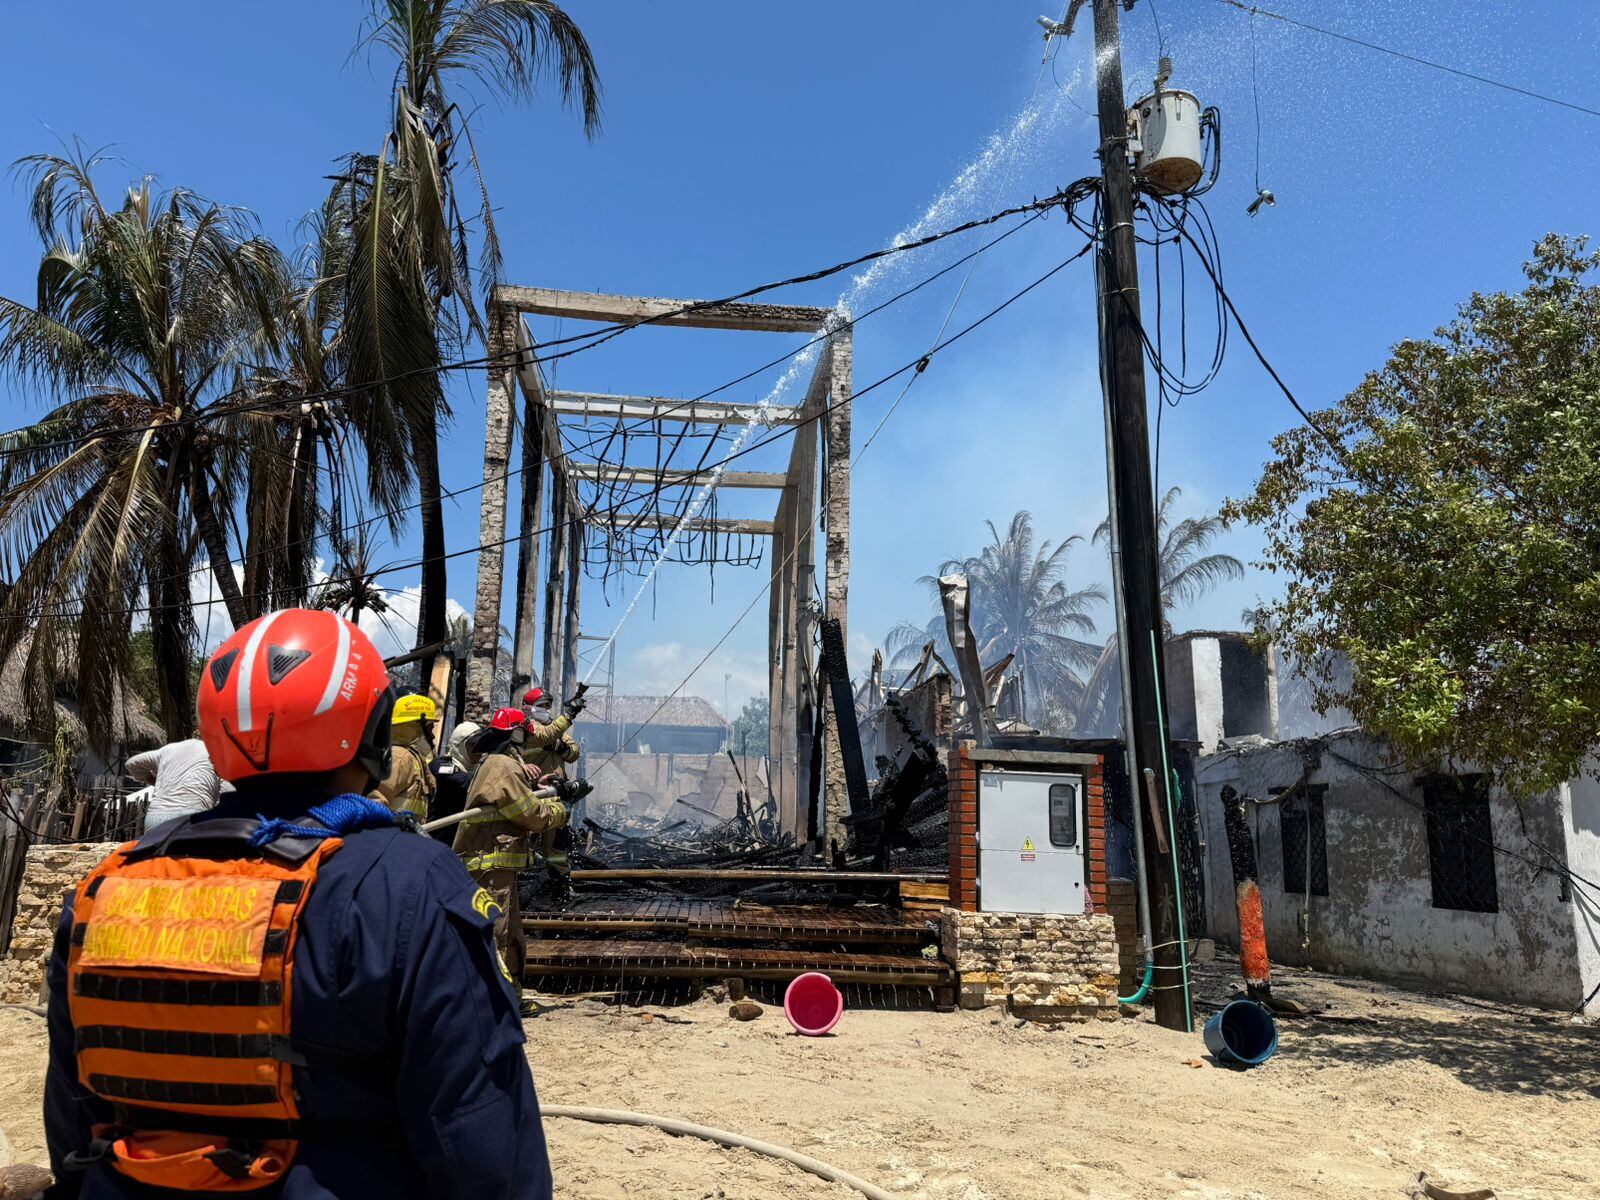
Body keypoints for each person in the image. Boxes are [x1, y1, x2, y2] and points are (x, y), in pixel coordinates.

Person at [41, 608, 553, 1199]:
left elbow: (73, 1124)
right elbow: (483, 1145)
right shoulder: (411, 886)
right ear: (371, 733)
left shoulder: (108, 888)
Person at [451, 708, 573, 987]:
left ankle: (511, 994)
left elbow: (511, 799)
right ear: (515, 735)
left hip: (498, 868)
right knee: (497, 934)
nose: (528, 742)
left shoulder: (500, 763)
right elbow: (531, 815)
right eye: (525, 736)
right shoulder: (503, 767)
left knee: (510, 932)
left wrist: (535, 785)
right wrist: (564, 808)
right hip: (491, 868)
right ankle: (493, 997)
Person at [520, 689, 583, 894]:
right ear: (528, 707)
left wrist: (560, 747)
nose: (546, 710)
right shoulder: (525, 728)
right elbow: (543, 737)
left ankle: (560, 886)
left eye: (548, 706)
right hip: (533, 793)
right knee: (526, 841)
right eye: (542, 706)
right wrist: (567, 717)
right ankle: (522, 885)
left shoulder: (555, 729)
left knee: (557, 844)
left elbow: (574, 752)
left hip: (556, 795)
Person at [124, 738, 222, 832]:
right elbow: (226, 791)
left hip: (156, 816)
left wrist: (153, 781)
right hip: (192, 815)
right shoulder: (217, 754)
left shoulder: (169, 749)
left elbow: (131, 764)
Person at [371, 693, 438, 821]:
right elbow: (375, 801)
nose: (433, 736)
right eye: (429, 729)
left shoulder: (411, 757)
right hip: (390, 832)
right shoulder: (400, 758)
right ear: (414, 728)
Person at [427, 720, 482, 845]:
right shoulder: (440, 765)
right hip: (437, 839)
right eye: (472, 745)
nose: (478, 750)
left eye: (480, 744)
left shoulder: (475, 769)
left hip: (460, 840)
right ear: (459, 746)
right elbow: (462, 781)